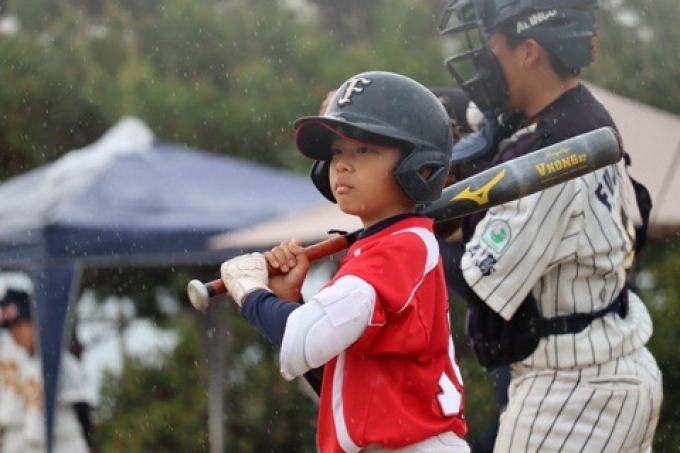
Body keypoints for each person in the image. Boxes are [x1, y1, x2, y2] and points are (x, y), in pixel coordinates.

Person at [437, 1, 663, 452]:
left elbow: (479, 279)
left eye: (492, 47)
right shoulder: (577, 113)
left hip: (573, 395)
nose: (483, 62)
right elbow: (473, 112)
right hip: (605, 367)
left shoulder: (551, 156)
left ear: (529, 51)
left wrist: (399, 232)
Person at [219, 71, 469, 453]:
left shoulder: (398, 251)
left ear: (419, 165)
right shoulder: (388, 245)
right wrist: (290, 302)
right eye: (337, 151)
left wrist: (250, 292)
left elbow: (302, 339)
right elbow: (336, 377)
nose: (342, 165)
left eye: (363, 150)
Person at [0, 288, 95, 453]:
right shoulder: (14, 361)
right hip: (28, 444)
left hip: (65, 443)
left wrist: (90, 444)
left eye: (19, 325)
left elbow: (81, 408)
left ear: (35, 321)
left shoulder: (61, 361)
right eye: (10, 328)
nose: (14, 333)